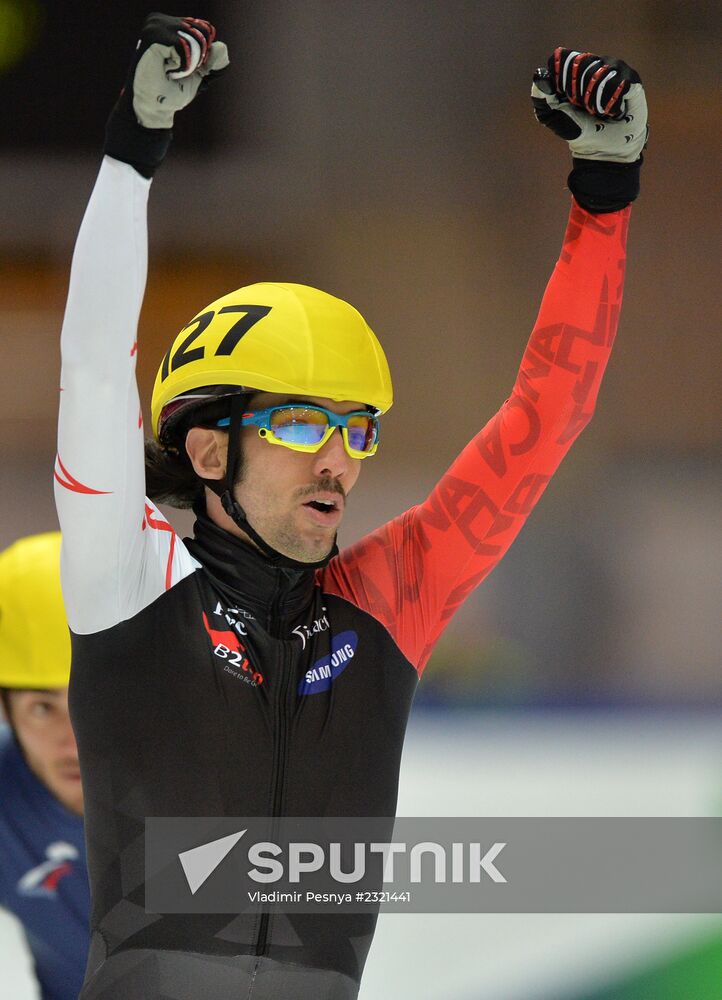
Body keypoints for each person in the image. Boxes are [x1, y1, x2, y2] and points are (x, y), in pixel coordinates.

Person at [54, 15, 647, 1000]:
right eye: (299, 425)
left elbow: (548, 417)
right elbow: (90, 370)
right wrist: (133, 153)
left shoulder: (385, 602)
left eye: (356, 430)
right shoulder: (130, 581)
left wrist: (605, 195)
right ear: (209, 449)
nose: (339, 461)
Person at [0, 532, 90, 1000]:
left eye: (96, 701)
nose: (74, 742)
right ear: (5, 710)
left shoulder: (229, 788)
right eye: (42, 708)